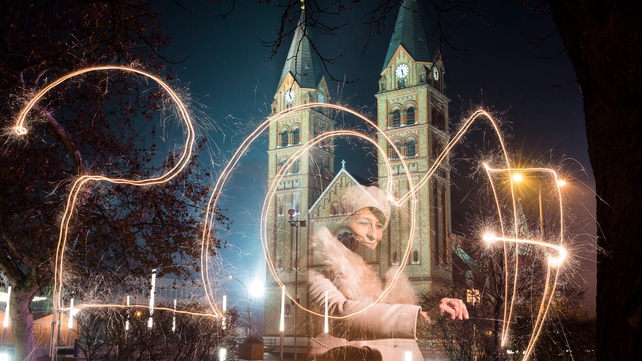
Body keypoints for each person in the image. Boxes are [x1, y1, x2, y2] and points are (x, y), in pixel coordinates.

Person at [308, 185, 469, 361]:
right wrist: (421, 317)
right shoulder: (319, 268)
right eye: (363, 223)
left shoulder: (390, 277)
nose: (373, 235)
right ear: (343, 223)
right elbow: (341, 315)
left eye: (379, 226)